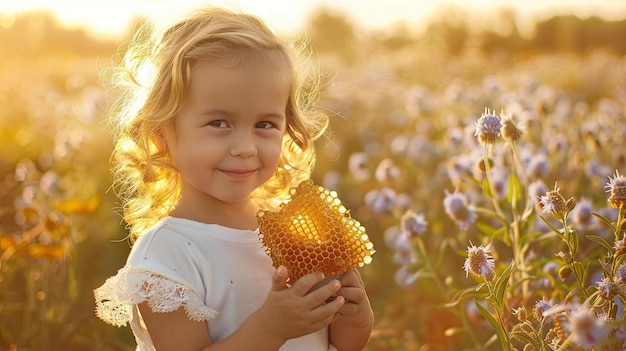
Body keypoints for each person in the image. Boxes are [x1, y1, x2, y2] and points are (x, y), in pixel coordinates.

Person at [93, 5, 374, 351]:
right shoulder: (167, 254)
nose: (245, 147)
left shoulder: (293, 233)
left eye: (264, 124)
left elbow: (325, 343)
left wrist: (353, 320)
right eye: (220, 123)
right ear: (161, 133)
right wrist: (270, 329)